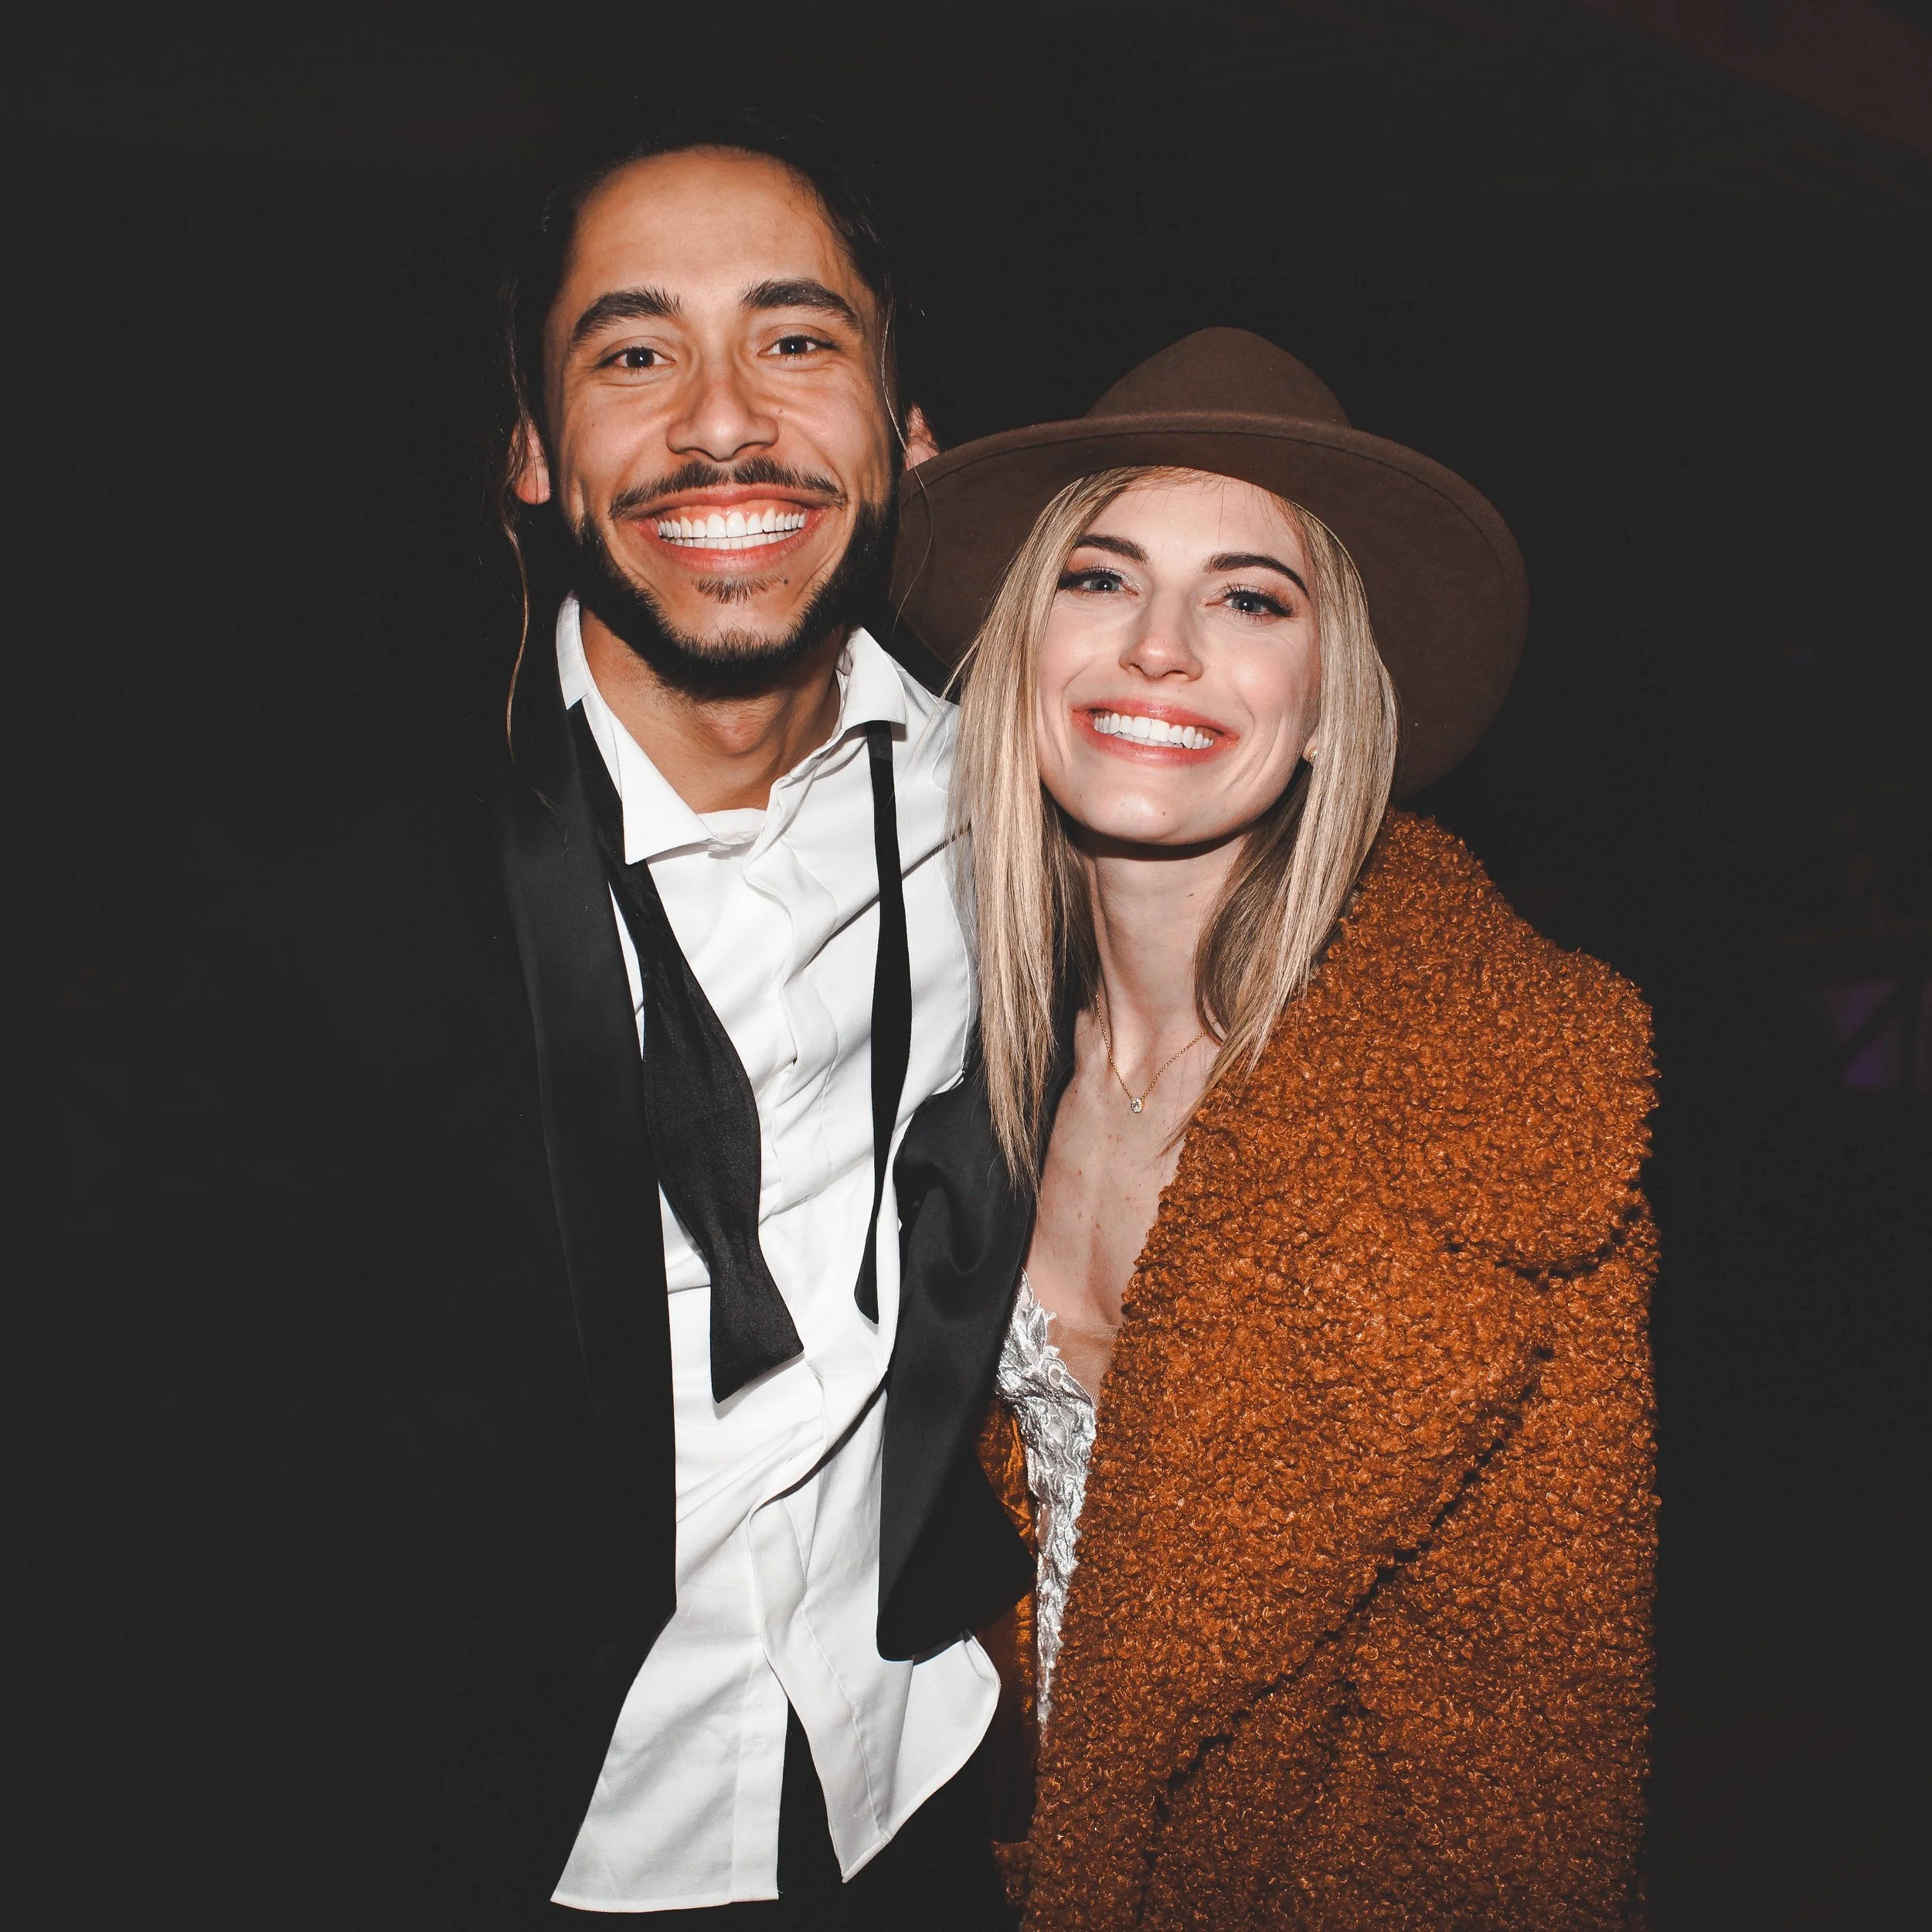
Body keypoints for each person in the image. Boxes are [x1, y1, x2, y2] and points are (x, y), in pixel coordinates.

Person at [124, 102, 1028, 1929]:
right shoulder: (325, 898)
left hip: (914, 1796)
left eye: (796, 339)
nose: (719, 417)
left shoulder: (1022, 816)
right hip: (518, 1840)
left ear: (908, 432)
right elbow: (192, 1501)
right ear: (532, 454)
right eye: (634, 352)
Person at [887, 329, 1656, 1927]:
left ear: (1324, 704)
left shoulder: (1505, 1136)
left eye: (1248, 597)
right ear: (1023, 646)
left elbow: (1512, 1825)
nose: (1160, 645)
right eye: (1100, 579)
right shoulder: (937, 1068)